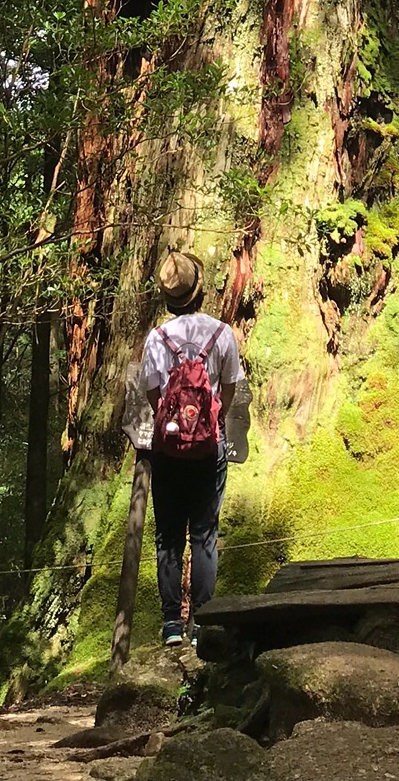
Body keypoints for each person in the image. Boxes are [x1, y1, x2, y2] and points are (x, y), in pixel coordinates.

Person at [139, 249, 244, 646]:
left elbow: (152, 391)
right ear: (200, 291)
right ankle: (201, 621)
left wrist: (173, 426)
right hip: (209, 449)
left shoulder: (157, 338)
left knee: (168, 535)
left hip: (167, 451)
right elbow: (230, 384)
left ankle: (169, 625)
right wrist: (211, 420)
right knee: (204, 533)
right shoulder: (222, 333)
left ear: (168, 299)